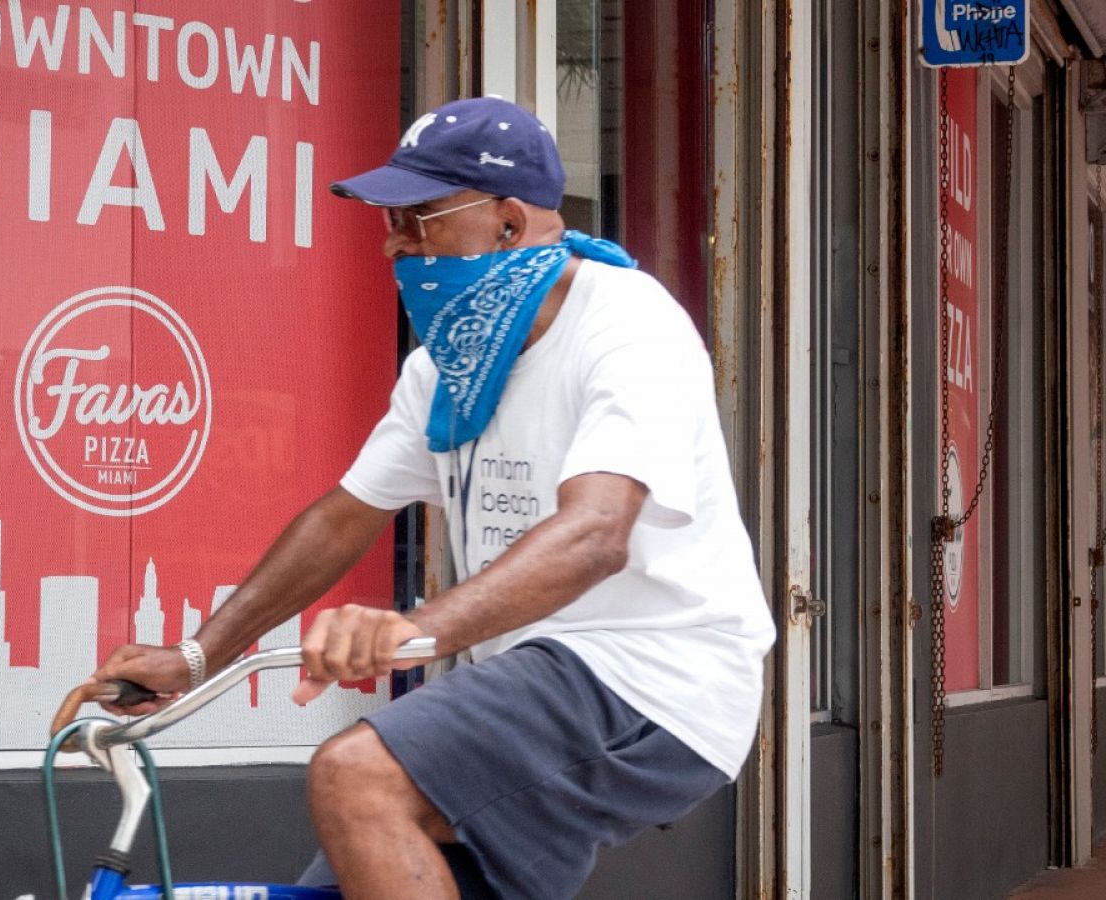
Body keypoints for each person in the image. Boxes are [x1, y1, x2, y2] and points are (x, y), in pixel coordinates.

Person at [88, 96, 776, 899]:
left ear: (510, 222)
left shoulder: (629, 329)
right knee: (353, 875)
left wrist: (411, 632)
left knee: (358, 776)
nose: (394, 245)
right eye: (391, 222)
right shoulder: (446, 366)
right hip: (541, 674)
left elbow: (596, 533)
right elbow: (347, 514)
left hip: (649, 675)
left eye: (420, 220)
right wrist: (199, 655)